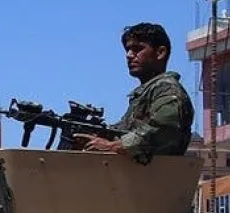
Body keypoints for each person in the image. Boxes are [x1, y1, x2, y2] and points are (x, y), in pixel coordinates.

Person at [74, 22, 195, 164]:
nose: (129, 55)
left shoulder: (168, 91)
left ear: (160, 52)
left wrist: (111, 146)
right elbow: (125, 131)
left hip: (154, 180)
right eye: (128, 49)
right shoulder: (147, 92)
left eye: (137, 49)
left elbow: (162, 131)